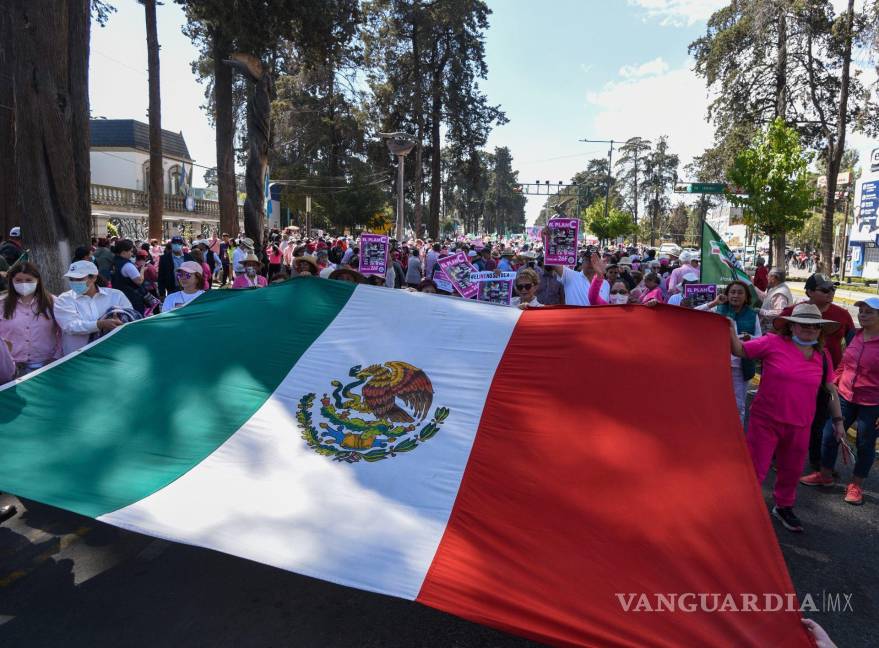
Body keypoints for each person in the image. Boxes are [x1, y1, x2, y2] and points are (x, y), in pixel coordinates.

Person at [730, 303, 844, 532]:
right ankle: (743, 510)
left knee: (791, 470)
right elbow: (740, 350)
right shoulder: (772, 343)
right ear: (791, 327)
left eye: (814, 326)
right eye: (803, 324)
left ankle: (783, 506)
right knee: (755, 469)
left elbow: (830, 389)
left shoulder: (822, 356)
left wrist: (839, 422)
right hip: (766, 421)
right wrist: (728, 327)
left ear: (820, 330)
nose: (809, 329)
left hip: (801, 424)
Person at [800, 296, 879, 505]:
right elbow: (845, 363)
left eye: (869, 312)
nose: (863, 315)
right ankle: (825, 475)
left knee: (865, 443)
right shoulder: (857, 336)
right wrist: (833, 381)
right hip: (844, 395)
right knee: (829, 435)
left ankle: (856, 485)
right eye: (861, 311)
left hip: (872, 403)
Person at [779, 273, 855, 471]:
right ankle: (777, 457)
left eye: (833, 289)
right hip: (794, 378)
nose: (831, 293)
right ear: (810, 292)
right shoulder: (793, 311)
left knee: (819, 421)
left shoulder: (842, 314)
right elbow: (776, 339)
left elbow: (854, 343)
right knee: (787, 419)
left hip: (827, 379)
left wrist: (845, 371)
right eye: (825, 289)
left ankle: (815, 461)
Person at [698, 281, 762, 424]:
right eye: (732, 292)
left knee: (738, 404)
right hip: (716, 365)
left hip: (740, 367)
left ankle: (736, 436)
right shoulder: (718, 310)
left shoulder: (752, 315)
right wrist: (713, 303)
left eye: (740, 293)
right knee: (715, 401)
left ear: (746, 297)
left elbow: (759, 339)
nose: (735, 296)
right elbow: (694, 313)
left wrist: (749, 338)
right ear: (727, 294)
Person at [54, 260, 132, 356]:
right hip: (78, 356)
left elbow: (130, 318)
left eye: (79, 279)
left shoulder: (116, 295)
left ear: (94, 277)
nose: (74, 283)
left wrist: (121, 321)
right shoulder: (64, 299)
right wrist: (100, 324)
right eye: (71, 279)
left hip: (112, 353)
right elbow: (70, 326)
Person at [0, 262, 60, 377]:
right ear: (11, 281)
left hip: (47, 366)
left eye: (28, 280)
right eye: (18, 280)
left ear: (38, 280)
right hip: (11, 369)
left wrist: (56, 357)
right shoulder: (2, 304)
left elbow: (62, 332)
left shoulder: (53, 302)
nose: (24, 284)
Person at [110, 239, 147, 315]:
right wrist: (142, 269)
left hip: (118, 297)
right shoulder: (127, 265)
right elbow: (139, 281)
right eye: (130, 251)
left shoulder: (114, 261)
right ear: (123, 252)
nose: (132, 253)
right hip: (131, 298)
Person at [755, 268, 793, 332]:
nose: (767, 278)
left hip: (772, 330)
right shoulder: (777, 288)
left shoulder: (780, 293)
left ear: (774, 278)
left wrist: (760, 311)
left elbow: (780, 312)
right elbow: (767, 299)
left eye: (768, 276)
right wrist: (754, 288)